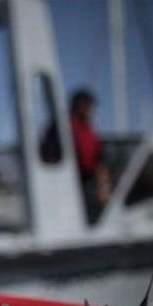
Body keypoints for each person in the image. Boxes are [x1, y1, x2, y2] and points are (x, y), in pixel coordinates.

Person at [40, 89, 111, 224]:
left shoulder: (89, 129)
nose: (90, 109)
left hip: (88, 182)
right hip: (66, 183)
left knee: (92, 215)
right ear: (78, 105)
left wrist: (103, 185)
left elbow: (99, 156)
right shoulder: (61, 126)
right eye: (87, 105)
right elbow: (48, 153)